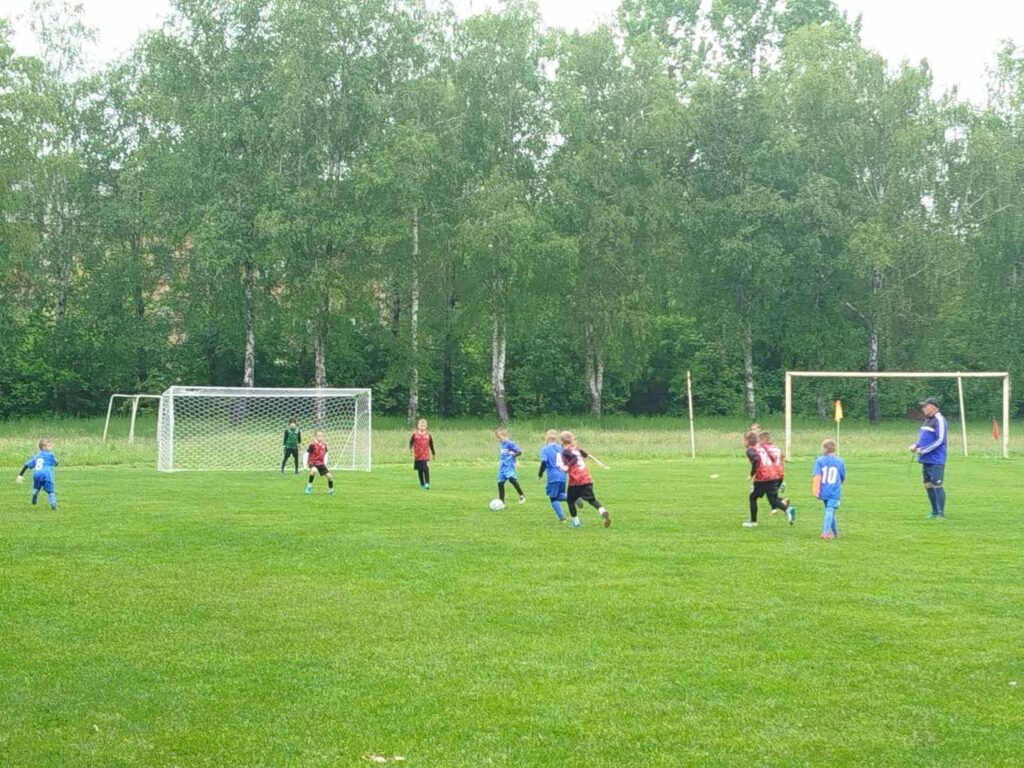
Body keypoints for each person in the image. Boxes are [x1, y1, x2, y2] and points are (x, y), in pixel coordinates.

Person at [559, 431, 610, 528]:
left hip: (576, 481)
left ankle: (576, 522)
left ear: (561, 441)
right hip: (586, 479)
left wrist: (567, 467)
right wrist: (601, 464)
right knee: (591, 500)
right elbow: (589, 456)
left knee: (570, 501)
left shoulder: (566, 451)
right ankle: (602, 511)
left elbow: (573, 459)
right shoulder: (577, 449)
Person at [743, 431, 793, 528]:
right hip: (773, 475)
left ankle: (753, 522)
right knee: (772, 500)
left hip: (763, 477)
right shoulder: (762, 448)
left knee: (753, 497)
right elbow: (772, 457)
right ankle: (787, 509)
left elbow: (756, 459)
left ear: (747, 441)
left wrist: (752, 474)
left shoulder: (750, 450)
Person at [909, 396, 948, 518]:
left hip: (936, 459)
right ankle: (934, 511)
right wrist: (915, 445)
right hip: (926, 458)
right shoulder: (927, 420)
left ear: (932, 407)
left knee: (937, 484)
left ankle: (940, 513)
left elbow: (940, 440)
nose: (923, 409)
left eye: (925, 407)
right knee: (927, 484)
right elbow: (923, 438)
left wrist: (923, 450)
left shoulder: (939, 420)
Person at [813, 438, 846, 540]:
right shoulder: (839, 461)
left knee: (830, 510)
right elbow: (843, 476)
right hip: (834, 490)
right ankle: (825, 533)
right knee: (830, 510)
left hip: (823, 490)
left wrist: (816, 490)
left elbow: (817, 476)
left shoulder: (819, 460)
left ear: (824, 448)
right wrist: (839, 484)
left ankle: (835, 533)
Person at [759, 430, 793, 523]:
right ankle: (775, 509)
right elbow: (782, 457)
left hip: (771, 475)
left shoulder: (764, 449)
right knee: (772, 495)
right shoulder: (776, 448)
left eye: (760, 440)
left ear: (763, 440)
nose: (759, 442)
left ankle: (786, 508)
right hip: (780, 474)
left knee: (771, 497)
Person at [17, 438, 59, 510]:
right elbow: (56, 463)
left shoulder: (36, 456)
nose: (51, 447)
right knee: (50, 491)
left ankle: (35, 492)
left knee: (37, 485)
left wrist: (20, 475)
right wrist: (55, 462)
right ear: (43, 447)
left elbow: (26, 465)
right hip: (47, 474)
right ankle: (53, 504)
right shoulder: (50, 454)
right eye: (49, 446)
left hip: (36, 473)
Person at [537, 429, 567, 521]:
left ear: (547, 438)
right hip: (563, 476)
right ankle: (572, 497)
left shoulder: (545, 449)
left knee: (553, 497)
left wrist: (540, 474)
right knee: (560, 495)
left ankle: (561, 516)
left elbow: (544, 462)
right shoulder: (560, 448)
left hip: (553, 476)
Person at [495, 427, 526, 505]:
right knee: (500, 483)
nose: (498, 439)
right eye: (497, 437)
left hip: (509, 465)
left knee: (511, 479)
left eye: (499, 437)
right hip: (502, 466)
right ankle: (501, 503)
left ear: (504, 435)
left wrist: (514, 455)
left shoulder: (510, 443)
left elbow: (519, 452)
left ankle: (522, 495)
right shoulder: (502, 444)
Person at [303, 429, 335, 495]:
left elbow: (326, 453)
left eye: (322, 436)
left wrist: (325, 463)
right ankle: (309, 486)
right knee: (314, 470)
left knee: (330, 477)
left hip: (320, 463)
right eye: (319, 436)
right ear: (315, 436)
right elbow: (306, 454)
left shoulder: (324, 445)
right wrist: (305, 465)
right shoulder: (312, 444)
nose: (320, 437)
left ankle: (331, 490)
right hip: (313, 462)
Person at [409, 418, 436, 489]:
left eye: (424, 425)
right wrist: (411, 450)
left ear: (426, 426)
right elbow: (411, 443)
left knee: (426, 469)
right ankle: (422, 484)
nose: (422, 426)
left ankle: (427, 483)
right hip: (418, 456)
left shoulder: (428, 435)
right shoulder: (415, 434)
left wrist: (433, 453)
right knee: (420, 470)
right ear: (418, 426)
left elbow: (431, 444)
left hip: (425, 456)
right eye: (421, 425)